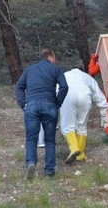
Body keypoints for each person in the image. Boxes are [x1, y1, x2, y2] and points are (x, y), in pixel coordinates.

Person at [15, 48, 68, 180]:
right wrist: (57, 103)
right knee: (49, 139)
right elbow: (64, 87)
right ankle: (49, 171)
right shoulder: (55, 69)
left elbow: (18, 87)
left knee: (31, 138)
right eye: (54, 58)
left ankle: (31, 163)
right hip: (49, 104)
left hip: (31, 105)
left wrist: (23, 104)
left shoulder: (29, 70)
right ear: (50, 57)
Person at [60, 67, 108, 164]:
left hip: (68, 94)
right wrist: (104, 112)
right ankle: (80, 155)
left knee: (67, 126)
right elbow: (98, 94)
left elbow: (58, 88)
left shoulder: (65, 75)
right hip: (85, 96)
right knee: (82, 126)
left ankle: (74, 148)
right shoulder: (87, 77)